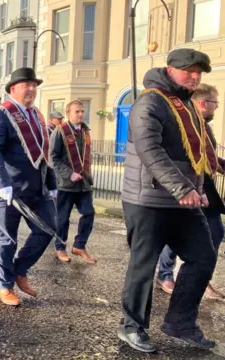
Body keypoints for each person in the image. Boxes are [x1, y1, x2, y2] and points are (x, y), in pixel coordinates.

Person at [118, 48, 216, 352]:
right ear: (170, 69)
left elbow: (194, 153)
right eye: (188, 70)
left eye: (198, 72)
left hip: (183, 199)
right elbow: (151, 150)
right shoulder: (149, 101)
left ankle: (180, 323)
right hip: (147, 199)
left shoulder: (187, 106)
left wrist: (199, 185)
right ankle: (131, 327)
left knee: (203, 256)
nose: (194, 76)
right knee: (143, 265)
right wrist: (183, 188)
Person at [0, 67, 57, 306]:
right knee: (7, 239)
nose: (32, 89)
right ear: (13, 88)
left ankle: (19, 269)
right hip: (9, 189)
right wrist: (2, 183)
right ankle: (4, 286)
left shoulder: (36, 115)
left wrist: (52, 183)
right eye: (27, 85)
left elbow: (45, 154)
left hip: (36, 188)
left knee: (48, 229)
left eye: (34, 85)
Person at [156, 82, 225, 300]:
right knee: (179, 233)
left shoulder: (204, 126)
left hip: (206, 185)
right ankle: (165, 274)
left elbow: (209, 157)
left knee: (214, 231)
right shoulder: (185, 124)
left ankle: (201, 280)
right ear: (205, 103)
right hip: (187, 185)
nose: (216, 107)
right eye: (215, 103)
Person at [49, 100, 96, 264]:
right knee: (63, 218)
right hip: (66, 184)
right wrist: (69, 174)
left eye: (82, 111)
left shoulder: (85, 132)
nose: (81, 114)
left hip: (84, 183)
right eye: (77, 111)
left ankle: (79, 246)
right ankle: (60, 247)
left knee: (89, 213)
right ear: (68, 114)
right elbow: (53, 159)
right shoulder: (60, 132)